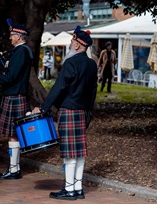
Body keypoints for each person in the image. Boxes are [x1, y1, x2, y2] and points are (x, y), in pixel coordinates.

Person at [32, 26, 97, 200]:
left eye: (71, 41)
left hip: (68, 111)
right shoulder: (91, 64)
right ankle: (78, 188)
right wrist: (89, 112)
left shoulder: (71, 62)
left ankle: (69, 190)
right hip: (83, 111)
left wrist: (44, 108)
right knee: (80, 152)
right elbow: (93, 92)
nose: (70, 43)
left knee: (69, 153)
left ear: (77, 45)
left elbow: (59, 87)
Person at [0, 19, 33, 180]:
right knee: (12, 135)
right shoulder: (20, 51)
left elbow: (11, 76)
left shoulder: (21, 52)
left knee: (13, 135)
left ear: (19, 37)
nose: (10, 37)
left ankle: (14, 169)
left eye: (12, 34)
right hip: (14, 95)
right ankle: (14, 167)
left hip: (15, 95)